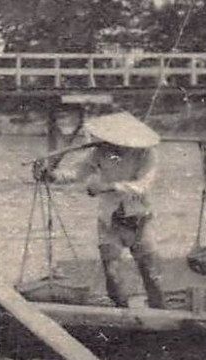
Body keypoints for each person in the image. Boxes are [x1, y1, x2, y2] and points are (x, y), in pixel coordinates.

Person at [56, 111, 165, 309]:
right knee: (112, 274)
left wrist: (110, 186)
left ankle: (160, 312)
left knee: (151, 274)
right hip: (110, 220)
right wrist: (54, 175)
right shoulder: (99, 152)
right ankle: (123, 314)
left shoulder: (146, 154)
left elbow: (143, 185)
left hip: (139, 219)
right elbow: (77, 171)